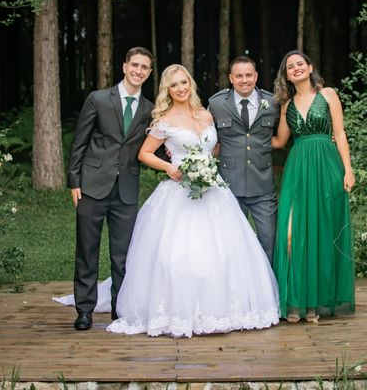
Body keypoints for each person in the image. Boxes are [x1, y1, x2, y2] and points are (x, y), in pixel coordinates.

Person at [104, 64, 280, 337]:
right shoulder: (164, 120)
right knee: (179, 254)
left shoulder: (207, 115)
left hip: (214, 191)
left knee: (225, 252)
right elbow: (144, 153)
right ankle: (178, 309)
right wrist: (169, 168)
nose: (181, 88)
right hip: (179, 191)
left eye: (184, 82)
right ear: (168, 90)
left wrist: (208, 167)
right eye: (174, 85)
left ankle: (225, 309)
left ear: (191, 84)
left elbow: (218, 146)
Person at [65, 47, 154, 331]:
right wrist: (74, 181)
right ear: (124, 66)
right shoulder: (99, 99)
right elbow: (80, 141)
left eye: (145, 68)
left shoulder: (149, 109)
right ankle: (85, 310)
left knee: (123, 254)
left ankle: (120, 309)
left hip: (126, 189)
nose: (139, 71)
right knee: (87, 250)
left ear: (149, 73)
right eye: (135, 65)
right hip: (92, 185)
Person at [271, 50, 355, 323]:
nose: (295, 69)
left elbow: (340, 133)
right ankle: (295, 298)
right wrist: (233, 142)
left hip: (327, 167)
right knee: (291, 234)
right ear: (286, 74)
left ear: (309, 68)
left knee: (321, 232)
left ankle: (313, 304)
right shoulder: (286, 105)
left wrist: (348, 170)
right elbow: (279, 142)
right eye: (290, 67)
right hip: (298, 168)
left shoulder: (328, 94)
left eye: (299, 64)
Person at [208, 56, 279, 263]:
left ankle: (268, 290)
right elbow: (204, 133)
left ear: (256, 76)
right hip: (229, 186)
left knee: (269, 239)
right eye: (239, 76)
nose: (244, 80)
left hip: (263, 185)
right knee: (231, 243)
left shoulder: (273, 101)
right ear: (231, 78)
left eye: (248, 75)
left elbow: (291, 127)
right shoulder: (217, 103)